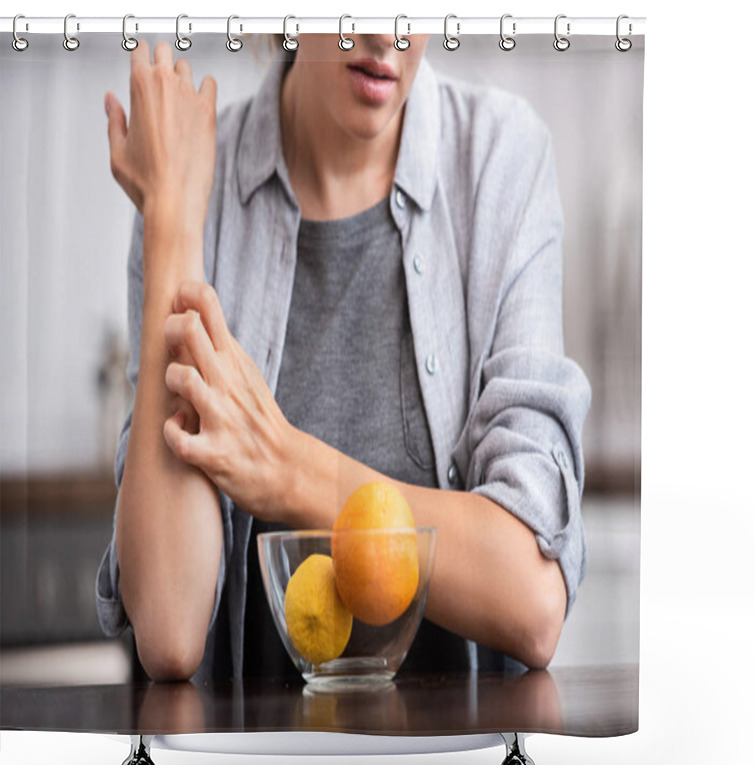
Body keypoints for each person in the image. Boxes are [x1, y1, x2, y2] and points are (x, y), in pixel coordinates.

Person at [96, 33, 591, 683]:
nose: (390, 33)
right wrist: (171, 221)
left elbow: (531, 600)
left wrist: (286, 469)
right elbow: (168, 629)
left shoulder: (499, 158)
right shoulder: (190, 180)